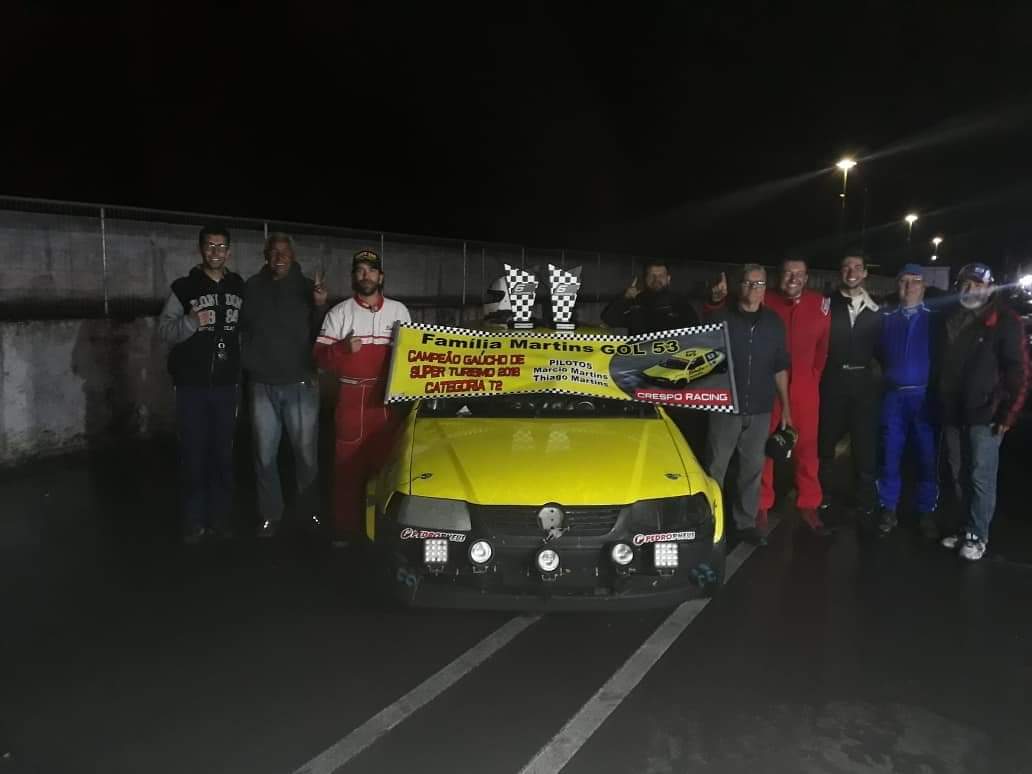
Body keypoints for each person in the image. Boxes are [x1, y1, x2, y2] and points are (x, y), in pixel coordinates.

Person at [314, 249, 411, 544]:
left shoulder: (399, 311)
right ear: (353, 277)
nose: (365, 275)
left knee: (387, 470)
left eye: (371, 270)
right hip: (351, 397)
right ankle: (345, 532)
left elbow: (412, 355)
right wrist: (341, 349)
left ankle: (384, 533)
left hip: (386, 399)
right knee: (347, 471)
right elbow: (318, 358)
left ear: (381, 276)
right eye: (360, 271)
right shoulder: (339, 312)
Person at [158, 223, 245, 543]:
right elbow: (164, 331)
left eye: (221, 247)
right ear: (200, 249)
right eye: (210, 246)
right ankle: (194, 520)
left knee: (222, 454)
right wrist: (191, 323)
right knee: (193, 454)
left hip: (226, 387)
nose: (215, 253)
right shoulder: (183, 287)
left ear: (229, 251)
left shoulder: (238, 287)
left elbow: (247, 331)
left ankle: (221, 518)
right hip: (191, 386)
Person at [937, 263, 1029, 560]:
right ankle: (966, 527)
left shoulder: (1004, 320)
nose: (970, 289)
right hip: (954, 411)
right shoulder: (954, 316)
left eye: (977, 284)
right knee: (959, 472)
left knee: (980, 475)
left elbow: (1019, 371)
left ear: (989, 287)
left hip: (985, 413)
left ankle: (979, 534)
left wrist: (1008, 414)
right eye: (965, 283)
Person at [240, 233, 329, 538]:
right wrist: (248, 361)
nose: (278, 258)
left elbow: (322, 334)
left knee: (306, 456)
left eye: (284, 253)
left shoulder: (307, 288)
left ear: (293, 256)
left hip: (300, 384)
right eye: (273, 252)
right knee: (264, 456)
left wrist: (319, 306)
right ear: (266, 255)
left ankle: (310, 512)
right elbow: (243, 329)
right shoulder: (251, 287)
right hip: (262, 385)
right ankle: (270, 514)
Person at [705, 264, 791, 545]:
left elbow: (780, 367)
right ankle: (710, 522)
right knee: (715, 467)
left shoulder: (775, 323)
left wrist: (785, 407)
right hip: (724, 408)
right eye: (747, 283)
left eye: (759, 284)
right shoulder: (721, 319)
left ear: (766, 288)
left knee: (752, 470)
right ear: (738, 286)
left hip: (760, 409)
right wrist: (715, 301)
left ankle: (745, 523)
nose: (753, 289)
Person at [760, 257, 831, 535]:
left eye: (799, 274)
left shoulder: (820, 304)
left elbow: (823, 350)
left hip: (804, 388)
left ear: (806, 277)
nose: (793, 279)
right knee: (763, 448)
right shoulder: (765, 299)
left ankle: (809, 502)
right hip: (768, 387)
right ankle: (761, 505)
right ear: (779, 276)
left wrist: (812, 377)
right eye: (788, 273)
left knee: (807, 448)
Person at [875, 265, 939, 538]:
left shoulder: (935, 318)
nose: (908, 287)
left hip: (924, 397)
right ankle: (888, 508)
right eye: (903, 282)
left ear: (924, 287)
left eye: (914, 282)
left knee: (927, 457)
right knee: (890, 455)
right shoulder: (887, 318)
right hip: (894, 397)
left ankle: (926, 512)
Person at [818, 253, 881, 519]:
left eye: (857, 267)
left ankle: (865, 498)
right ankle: (823, 495)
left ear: (866, 272)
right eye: (846, 267)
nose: (851, 271)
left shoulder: (876, 308)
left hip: (863, 384)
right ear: (839, 272)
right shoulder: (826, 304)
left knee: (865, 443)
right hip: (832, 381)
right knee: (826, 442)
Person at [601, 259, 699, 333]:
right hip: (637, 357)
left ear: (668, 279)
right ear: (645, 279)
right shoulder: (634, 302)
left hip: (669, 358)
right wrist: (624, 298)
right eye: (652, 275)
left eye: (661, 276)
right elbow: (609, 320)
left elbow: (695, 332)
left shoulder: (680, 303)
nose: (656, 279)